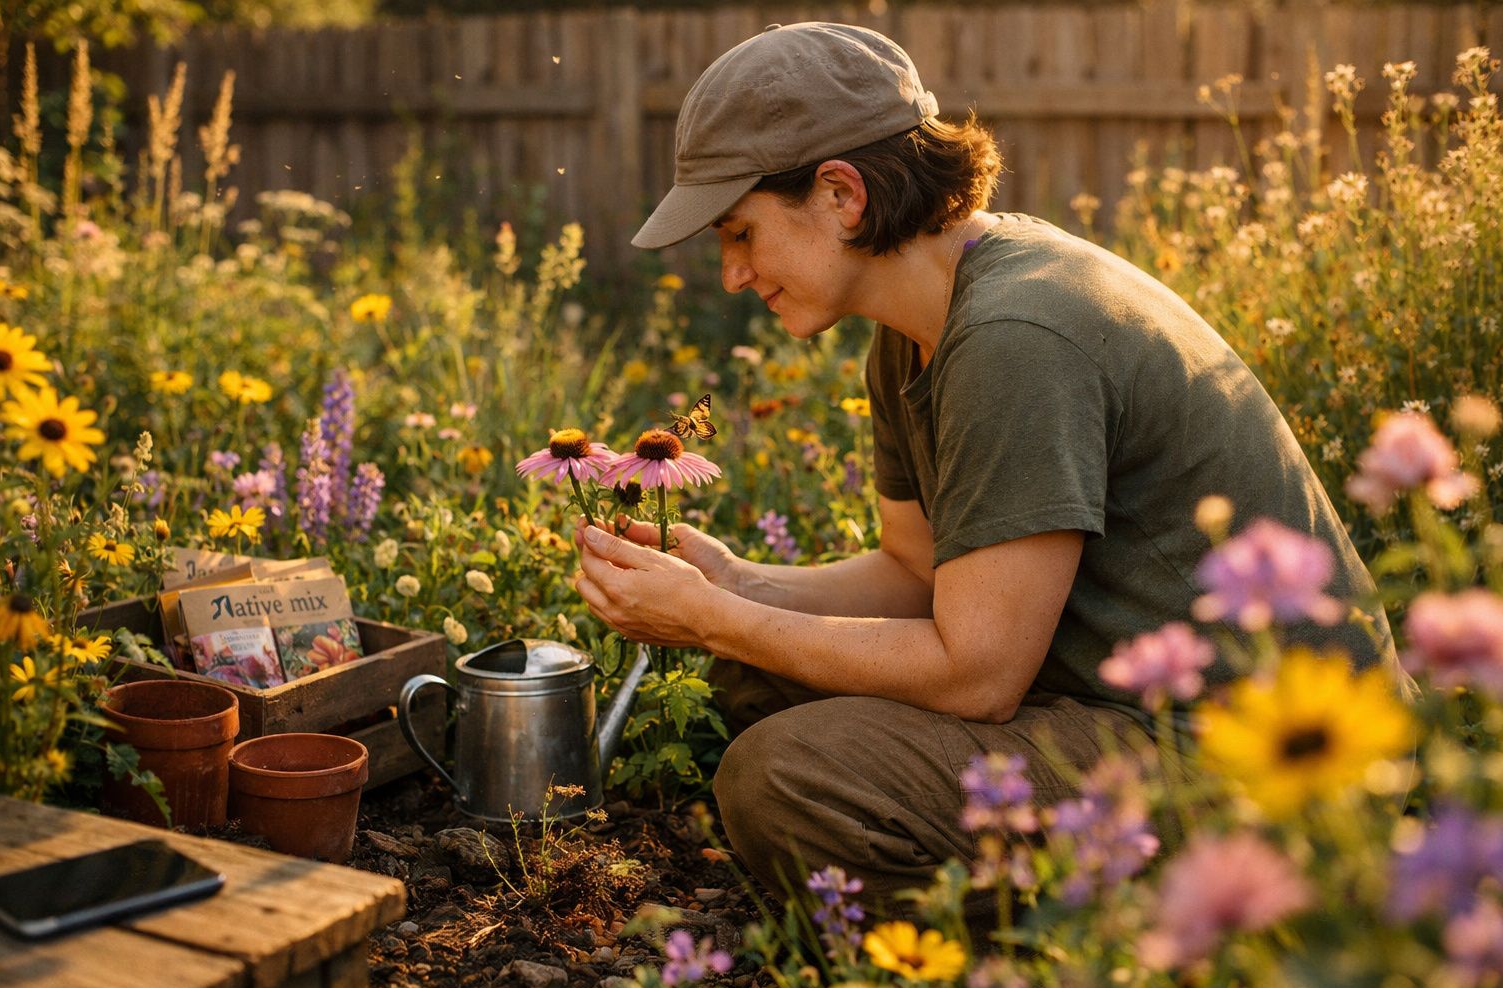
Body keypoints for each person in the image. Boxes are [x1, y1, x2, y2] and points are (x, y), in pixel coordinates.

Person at [572, 22, 1403, 913]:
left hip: (1266, 758)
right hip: (1110, 693)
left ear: (841, 194)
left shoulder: (1015, 336)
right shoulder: (914, 334)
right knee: (755, 665)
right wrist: (738, 585)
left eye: (742, 233)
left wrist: (716, 620)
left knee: (783, 775)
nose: (734, 273)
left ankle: (1097, 953)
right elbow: (913, 573)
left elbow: (977, 675)